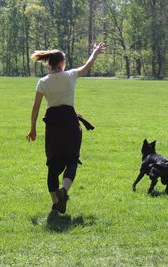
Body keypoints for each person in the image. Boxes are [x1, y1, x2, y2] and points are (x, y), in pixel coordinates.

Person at [26, 43, 106, 214]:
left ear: (49, 64)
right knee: (71, 160)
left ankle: (55, 205)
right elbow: (88, 65)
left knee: (53, 167)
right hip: (70, 124)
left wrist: (33, 129)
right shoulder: (70, 75)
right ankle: (64, 191)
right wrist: (95, 52)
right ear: (62, 63)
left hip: (53, 126)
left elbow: (35, 108)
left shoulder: (43, 82)